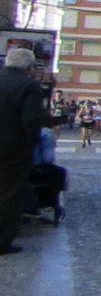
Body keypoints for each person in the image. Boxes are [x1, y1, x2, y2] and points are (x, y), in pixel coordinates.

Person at [0, 48, 46, 255]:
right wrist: (30, 145)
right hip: (12, 148)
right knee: (9, 194)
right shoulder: (29, 86)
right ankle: (2, 241)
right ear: (28, 67)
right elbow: (31, 121)